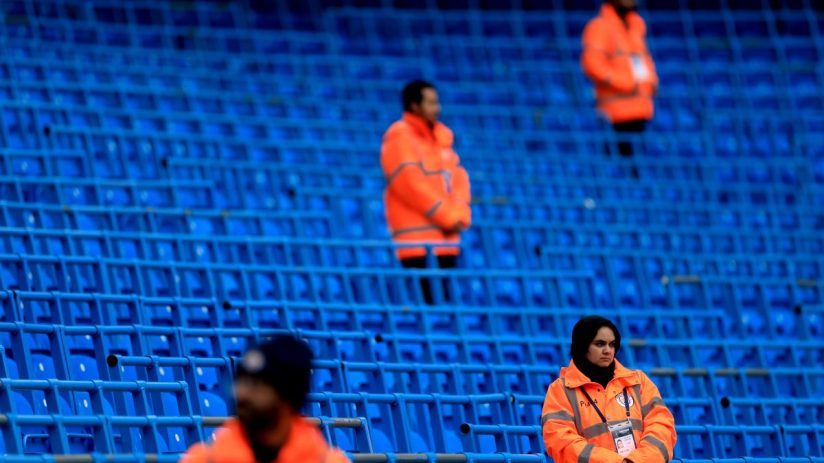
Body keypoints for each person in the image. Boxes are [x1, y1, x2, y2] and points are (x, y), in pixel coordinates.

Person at [182, 335, 350, 463]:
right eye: (241, 383)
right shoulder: (203, 459)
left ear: (288, 395)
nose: (242, 394)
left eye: (256, 386)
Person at [381, 80, 472, 305]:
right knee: (429, 314)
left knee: (450, 315)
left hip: (447, 240)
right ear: (414, 105)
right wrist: (449, 217)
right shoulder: (400, 137)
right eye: (431, 102)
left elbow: (459, 178)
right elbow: (410, 184)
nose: (437, 108)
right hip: (417, 243)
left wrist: (460, 215)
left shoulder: (442, 139)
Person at [542, 316, 676, 463]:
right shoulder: (561, 390)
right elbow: (561, 441)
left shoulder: (639, 382)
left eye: (612, 344)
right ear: (583, 346)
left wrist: (636, 460)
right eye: (600, 344)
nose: (608, 350)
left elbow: (662, 427)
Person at [581, 0, 659, 158]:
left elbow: (642, 59)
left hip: (641, 108)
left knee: (639, 165)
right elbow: (592, 64)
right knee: (620, 164)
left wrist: (651, 82)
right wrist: (624, 82)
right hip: (617, 113)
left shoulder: (636, 26)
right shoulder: (600, 26)